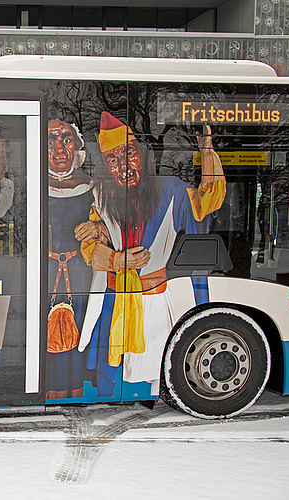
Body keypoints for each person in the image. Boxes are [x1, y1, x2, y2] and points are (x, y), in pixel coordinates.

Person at [75, 112, 226, 397]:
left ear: (143, 156)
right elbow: (89, 252)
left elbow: (209, 200)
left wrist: (207, 153)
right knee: (113, 368)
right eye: (113, 159)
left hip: (153, 298)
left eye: (128, 154)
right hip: (114, 299)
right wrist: (114, 254)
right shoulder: (101, 197)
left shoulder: (171, 190)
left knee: (151, 365)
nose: (123, 166)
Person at [45, 119, 94, 399]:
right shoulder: (32, 184)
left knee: (79, 326)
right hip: (43, 268)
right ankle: (47, 388)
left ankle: (75, 389)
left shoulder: (92, 186)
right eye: (50, 141)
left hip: (79, 269)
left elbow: (110, 222)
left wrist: (98, 228)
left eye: (66, 139)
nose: (59, 148)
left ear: (77, 147)